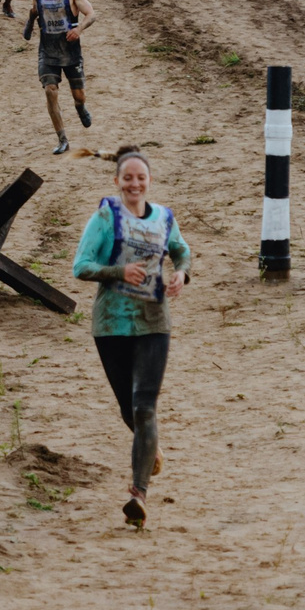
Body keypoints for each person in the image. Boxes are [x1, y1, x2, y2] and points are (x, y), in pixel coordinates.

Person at [70, 148, 191, 527]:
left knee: (144, 407)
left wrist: (181, 274)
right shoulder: (106, 216)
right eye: (128, 178)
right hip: (111, 325)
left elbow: (182, 253)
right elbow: (81, 267)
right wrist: (119, 273)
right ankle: (149, 447)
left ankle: (138, 495)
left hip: (154, 322)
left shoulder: (165, 218)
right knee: (129, 409)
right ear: (117, 182)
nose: (134, 184)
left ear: (149, 181)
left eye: (141, 178)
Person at [1, 0, 95, 155]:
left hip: (71, 50)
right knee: (50, 91)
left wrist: (80, 30)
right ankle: (62, 139)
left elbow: (91, 14)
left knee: (79, 96)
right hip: (48, 51)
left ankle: (80, 106)